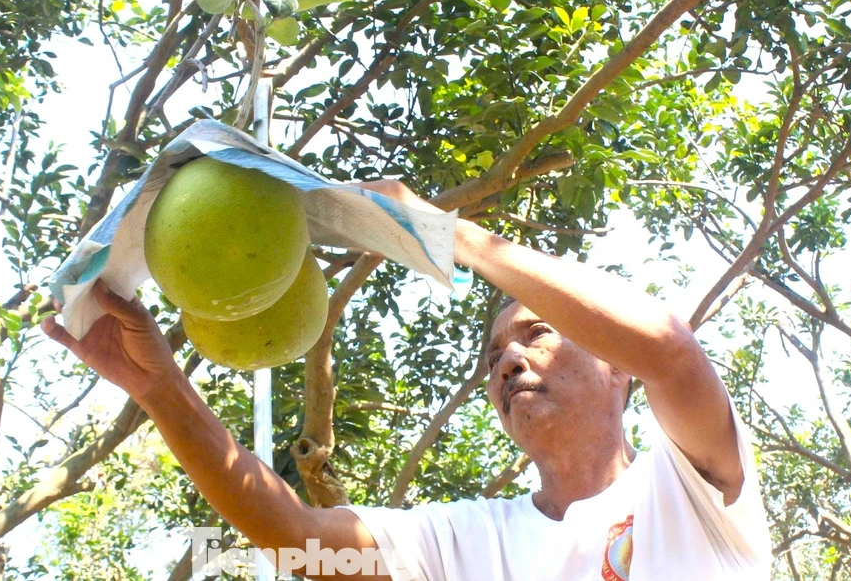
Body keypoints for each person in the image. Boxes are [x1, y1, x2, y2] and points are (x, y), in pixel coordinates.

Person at [41, 180, 773, 580]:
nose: (509, 363)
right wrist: (160, 388)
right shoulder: (465, 541)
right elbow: (295, 537)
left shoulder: (694, 491)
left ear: (617, 369)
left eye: (537, 334)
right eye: (493, 358)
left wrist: (448, 234)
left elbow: (672, 352)